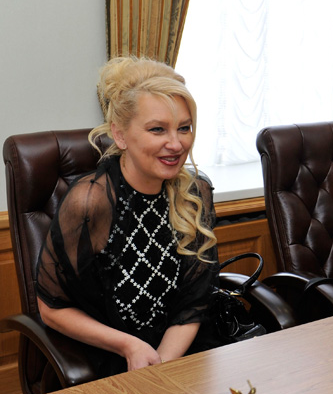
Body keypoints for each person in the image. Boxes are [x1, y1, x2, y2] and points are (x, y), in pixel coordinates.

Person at [35, 57, 219, 376]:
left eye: (184, 128)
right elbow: (52, 309)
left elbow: (194, 302)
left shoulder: (195, 193)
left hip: (182, 352)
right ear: (120, 135)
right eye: (157, 129)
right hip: (109, 356)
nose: (176, 144)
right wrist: (129, 347)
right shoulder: (90, 202)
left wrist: (161, 368)